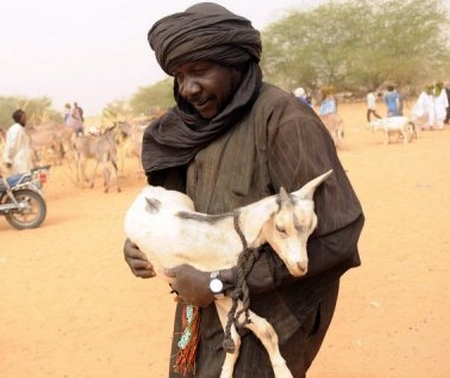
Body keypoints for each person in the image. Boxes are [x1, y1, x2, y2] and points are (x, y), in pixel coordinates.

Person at [122, 3, 364, 377]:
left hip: (274, 309)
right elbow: (170, 208)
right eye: (180, 75)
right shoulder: (184, 129)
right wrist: (141, 245)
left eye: (199, 71)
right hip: (201, 303)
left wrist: (220, 281)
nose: (188, 88)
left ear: (235, 63)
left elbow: (336, 236)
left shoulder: (284, 121)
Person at [3, 109, 34, 174]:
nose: (26, 119)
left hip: (23, 161)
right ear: (19, 118)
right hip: (19, 162)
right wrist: (8, 159)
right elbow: (12, 145)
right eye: (24, 118)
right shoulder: (16, 129)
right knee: (21, 181)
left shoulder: (20, 128)